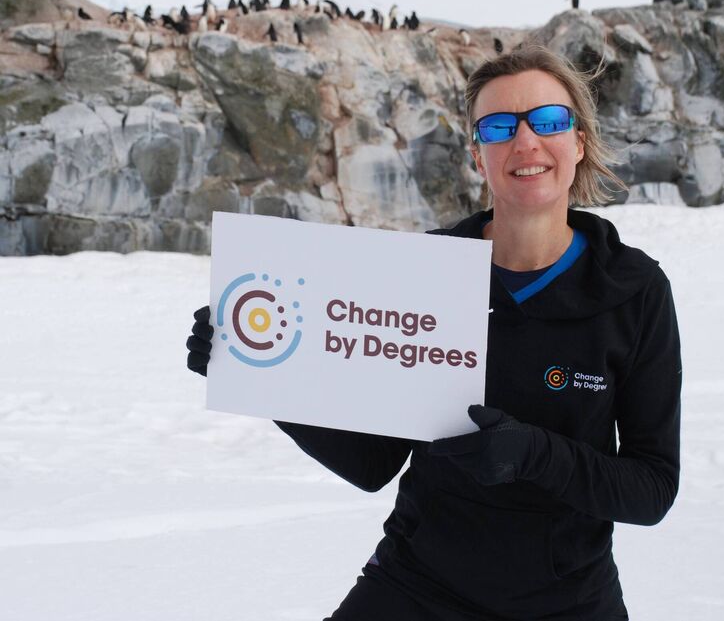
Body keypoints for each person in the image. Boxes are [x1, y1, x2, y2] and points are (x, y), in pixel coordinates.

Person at [186, 44, 682, 620]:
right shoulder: (428, 271)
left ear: (578, 140)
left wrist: (532, 454)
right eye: (498, 127)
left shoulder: (633, 289)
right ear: (477, 155)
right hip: (419, 585)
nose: (525, 142)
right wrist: (259, 369)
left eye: (548, 121)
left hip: (568, 600)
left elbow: (651, 487)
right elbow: (372, 463)